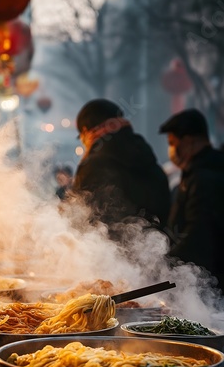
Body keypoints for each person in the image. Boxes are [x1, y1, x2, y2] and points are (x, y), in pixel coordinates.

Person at [71, 99, 171, 232]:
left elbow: (83, 216)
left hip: (110, 250)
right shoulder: (147, 158)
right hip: (155, 247)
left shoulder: (94, 165)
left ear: (85, 131)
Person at [159, 108, 224, 291]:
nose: (171, 150)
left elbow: (200, 232)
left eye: (172, 143)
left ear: (188, 142)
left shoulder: (205, 176)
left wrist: (166, 266)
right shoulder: (198, 171)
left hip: (212, 281)